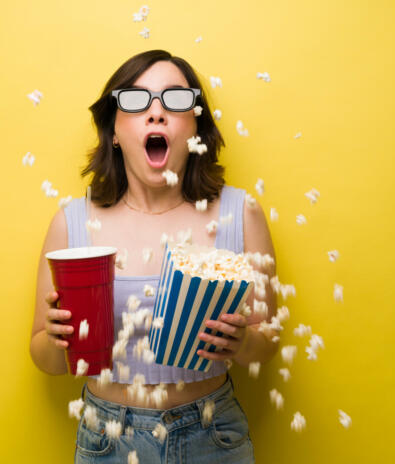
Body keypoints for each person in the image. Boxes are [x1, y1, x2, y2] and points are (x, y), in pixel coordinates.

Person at [30, 49, 279, 463]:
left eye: (175, 100)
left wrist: (244, 341)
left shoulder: (241, 214)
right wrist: (59, 342)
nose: (156, 113)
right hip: (106, 440)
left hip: (212, 435)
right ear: (113, 130)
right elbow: (44, 357)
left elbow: (268, 342)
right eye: (136, 100)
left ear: (196, 126)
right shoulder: (71, 224)